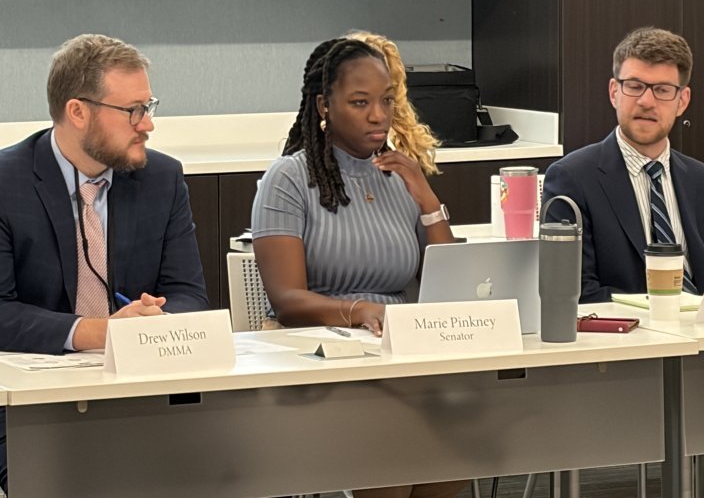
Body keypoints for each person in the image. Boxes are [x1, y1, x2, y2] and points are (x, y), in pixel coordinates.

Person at [251, 36, 465, 498]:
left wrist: (426, 199)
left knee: (451, 465)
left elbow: (448, 283)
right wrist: (362, 311)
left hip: (402, 354)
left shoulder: (399, 174)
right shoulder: (288, 178)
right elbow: (286, 301)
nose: (378, 115)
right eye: (360, 102)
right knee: (390, 466)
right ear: (324, 106)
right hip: (325, 358)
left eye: (387, 100)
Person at [0, 33, 209, 493]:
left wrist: (156, 323)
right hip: (31, 408)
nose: (147, 125)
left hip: (141, 393)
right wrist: (102, 332)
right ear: (78, 112)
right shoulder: (6, 182)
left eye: (149, 106)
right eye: (133, 110)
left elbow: (190, 295)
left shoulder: (162, 178)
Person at [542, 26, 704, 303]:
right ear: (613, 92)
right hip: (627, 338)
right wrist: (665, 311)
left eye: (663, 90)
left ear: (682, 101)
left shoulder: (702, 180)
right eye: (634, 86)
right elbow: (576, 293)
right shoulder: (572, 178)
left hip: (700, 337)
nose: (646, 101)